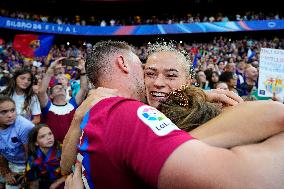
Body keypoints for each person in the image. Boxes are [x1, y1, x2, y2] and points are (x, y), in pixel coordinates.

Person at [63, 41, 284, 189]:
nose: (158, 82)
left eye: (171, 75)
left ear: (187, 81)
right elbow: (66, 168)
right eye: (149, 73)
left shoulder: (213, 113)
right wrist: (76, 120)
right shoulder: (126, 113)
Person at [38, 57, 88, 143]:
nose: (60, 88)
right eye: (57, 88)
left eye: (62, 88)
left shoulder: (73, 103)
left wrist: (83, 71)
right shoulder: (48, 106)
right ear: (51, 95)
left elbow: (83, 89)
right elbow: (41, 91)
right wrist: (51, 69)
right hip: (53, 148)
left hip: (72, 146)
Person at [0, 96, 34, 189]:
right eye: (4, 112)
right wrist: (6, 172)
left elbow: (31, 154)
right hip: (8, 161)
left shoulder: (25, 126)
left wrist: (26, 176)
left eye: (13, 110)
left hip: (25, 164)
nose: (10, 115)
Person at [25, 124, 65, 189]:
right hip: (44, 184)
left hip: (65, 182)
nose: (49, 137)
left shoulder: (64, 150)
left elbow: (74, 171)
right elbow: (33, 182)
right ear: (36, 143)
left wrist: (57, 183)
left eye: (50, 134)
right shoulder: (33, 159)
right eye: (42, 136)